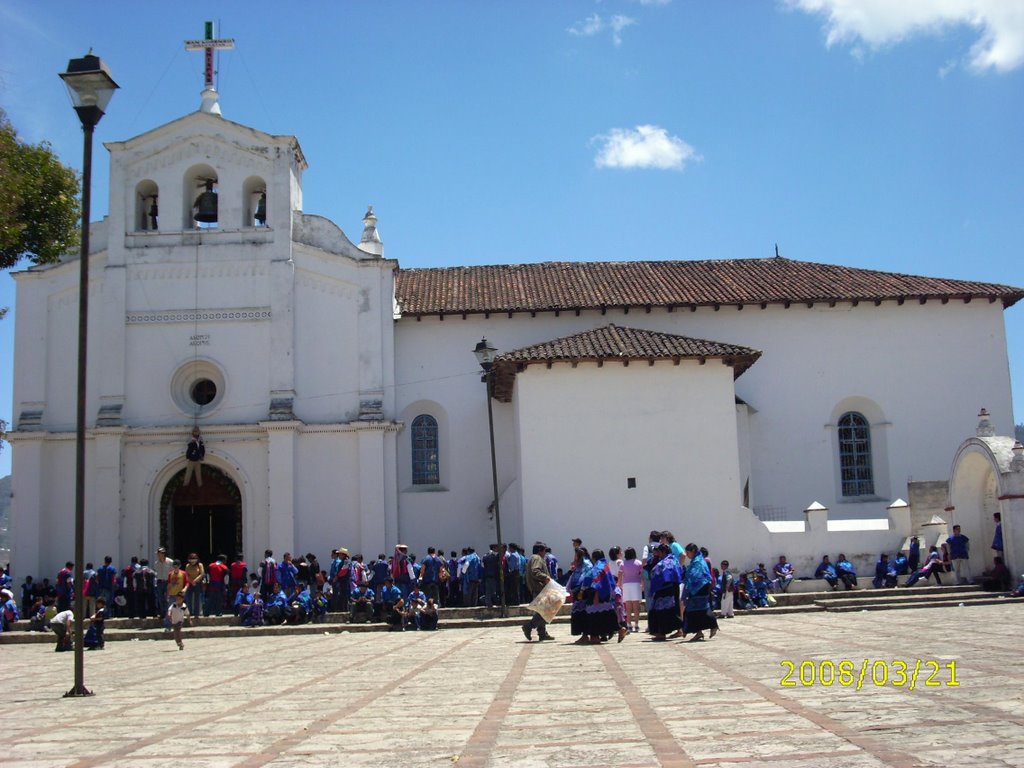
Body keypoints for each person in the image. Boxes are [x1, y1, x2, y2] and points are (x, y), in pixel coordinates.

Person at [681, 543, 719, 642]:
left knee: (700, 609)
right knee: (694, 611)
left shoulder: (698, 562)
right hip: (697, 587)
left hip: (700, 587)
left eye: (688, 552)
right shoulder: (696, 561)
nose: (687, 554)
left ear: (693, 551)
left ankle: (713, 625)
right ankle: (699, 632)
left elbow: (696, 575)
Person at [647, 544, 683, 641]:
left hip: (665, 589)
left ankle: (662, 633)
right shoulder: (673, 560)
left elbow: (660, 573)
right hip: (671, 587)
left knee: (662, 611)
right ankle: (663, 632)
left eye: (659, 552)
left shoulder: (666, 562)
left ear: (663, 552)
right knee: (668, 611)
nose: (657, 554)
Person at [522, 542, 555, 642]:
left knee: (541, 611)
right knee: (544, 611)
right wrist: (546, 577)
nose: (545, 553)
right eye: (544, 550)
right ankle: (529, 626)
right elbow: (535, 571)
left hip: (537, 589)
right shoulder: (537, 558)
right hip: (539, 589)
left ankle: (542, 633)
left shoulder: (533, 558)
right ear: (540, 550)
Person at [620, 547, 644, 633]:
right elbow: (642, 575)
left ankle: (629, 624)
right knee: (636, 607)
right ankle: (636, 624)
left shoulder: (623, 563)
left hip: (626, 585)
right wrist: (643, 584)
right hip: (636, 584)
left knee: (628, 607)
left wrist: (619, 584)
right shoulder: (638, 562)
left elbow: (620, 574)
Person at [183, 553, 205, 617]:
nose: (192, 561)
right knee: (188, 598)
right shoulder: (187, 566)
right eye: (191, 560)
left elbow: (202, 574)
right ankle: (189, 612)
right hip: (189, 583)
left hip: (197, 583)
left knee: (197, 599)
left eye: (194, 559)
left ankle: (197, 613)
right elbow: (186, 574)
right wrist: (191, 581)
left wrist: (195, 580)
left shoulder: (200, 565)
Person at [482, 544, 502, 609]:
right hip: (494, 576)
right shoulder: (496, 556)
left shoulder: (486, 556)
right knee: (493, 591)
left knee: (489, 591)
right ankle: (494, 603)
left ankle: (489, 604)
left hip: (488, 575)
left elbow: (483, 564)